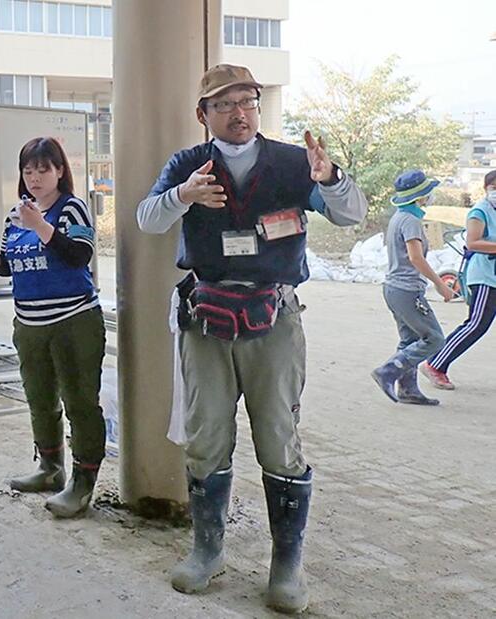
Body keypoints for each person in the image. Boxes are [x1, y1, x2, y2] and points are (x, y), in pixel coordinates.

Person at [136, 64, 367, 614]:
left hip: (275, 316)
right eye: (225, 104)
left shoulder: (292, 162)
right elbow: (147, 219)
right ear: (204, 115)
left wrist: (330, 176)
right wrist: (184, 194)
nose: (239, 113)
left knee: (279, 439)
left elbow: (351, 214)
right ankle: (207, 550)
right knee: (205, 436)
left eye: (248, 101)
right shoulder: (188, 165)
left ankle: (287, 566)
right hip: (206, 316)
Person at [0, 136, 105, 518]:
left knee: (80, 402)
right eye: (28, 170)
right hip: (30, 323)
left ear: (60, 171)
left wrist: (42, 227)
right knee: (39, 398)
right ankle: (50, 468)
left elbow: (79, 256)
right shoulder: (16, 214)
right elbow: (11, 264)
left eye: (43, 169)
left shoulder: (71, 209)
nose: (35, 177)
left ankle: (82, 484)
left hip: (73, 321)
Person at [370, 170, 454, 405]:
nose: (431, 196)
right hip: (407, 290)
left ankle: (408, 389)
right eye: (429, 192)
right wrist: (440, 285)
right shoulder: (411, 221)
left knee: (409, 340)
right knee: (435, 338)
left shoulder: (399, 217)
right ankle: (388, 370)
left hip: (394, 288)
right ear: (420, 196)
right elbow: (416, 258)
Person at [421, 169, 496, 389]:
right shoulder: (480, 211)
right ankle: (435, 364)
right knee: (476, 324)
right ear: (486, 189)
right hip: (485, 277)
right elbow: (473, 243)